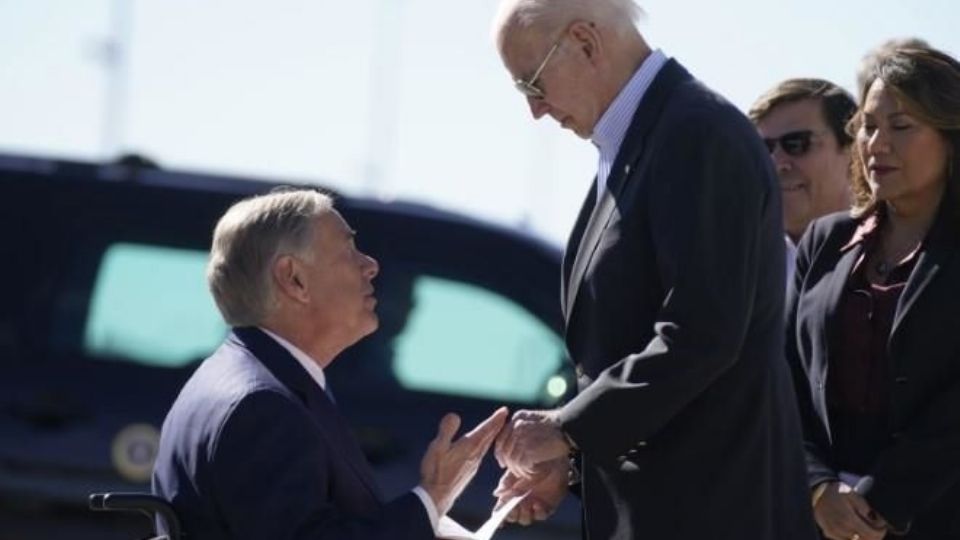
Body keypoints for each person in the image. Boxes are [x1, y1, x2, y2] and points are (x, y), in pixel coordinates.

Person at [488, 1, 817, 538]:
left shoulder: (696, 134)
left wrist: (568, 430)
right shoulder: (644, 138)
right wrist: (572, 460)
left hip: (715, 515)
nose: (536, 111)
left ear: (585, 42)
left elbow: (702, 336)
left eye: (532, 84)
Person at [152, 189, 507, 539]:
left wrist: (430, 523)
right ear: (294, 279)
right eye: (348, 250)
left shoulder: (247, 379)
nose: (371, 266)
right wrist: (433, 499)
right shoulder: (262, 405)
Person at [786, 45, 960, 539]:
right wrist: (818, 487)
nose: (876, 144)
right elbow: (782, 377)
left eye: (901, 127)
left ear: (951, 138)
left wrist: (879, 502)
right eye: (867, 125)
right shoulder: (825, 241)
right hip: (816, 520)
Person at [749, 79, 857, 282]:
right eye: (764, 149)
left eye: (796, 144)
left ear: (852, 150)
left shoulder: (893, 253)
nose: (777, 164)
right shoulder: (740, 264)